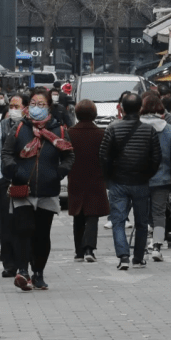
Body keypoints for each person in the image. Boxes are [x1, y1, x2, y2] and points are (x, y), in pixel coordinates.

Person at [1, 87, 75, 291]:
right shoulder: (18, 129)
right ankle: (22, 271)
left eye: (41, 104)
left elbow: (69, 155)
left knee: (42, 234)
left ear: (49, 107)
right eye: (33, 104)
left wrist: (59, 172)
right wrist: (13, 169)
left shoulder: (59, 131)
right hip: (21, 189)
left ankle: (39, 273)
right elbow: (7, 153)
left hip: (47, 189)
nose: (36, 108)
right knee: (23, 230)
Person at [99, 92, 162, 270]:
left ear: (122, 108)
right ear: (140, 109)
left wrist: (109, 177)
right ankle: (139, 257)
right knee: (142, 222)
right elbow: (156, 158)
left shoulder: (112, 128)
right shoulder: (149, 130)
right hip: (141, 182)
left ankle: (123, 256)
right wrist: (147, 174)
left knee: (118, 221)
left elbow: (104, 156)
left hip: (118, 182)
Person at [67, 99, 110, 263]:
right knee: (92, 215)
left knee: (78, 215)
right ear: (94, 114)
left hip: (76, 178)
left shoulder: (69, 133)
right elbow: (106, 157)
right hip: (95, 179)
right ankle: (89, 249)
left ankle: (78, 250)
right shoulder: (101, 133)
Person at [0, 93, 28, 277]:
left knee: (23, 223)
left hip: (26, 181)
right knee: (6, 224)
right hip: (6, 182)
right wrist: (0, 177)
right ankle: (8, 263)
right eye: (11, 106)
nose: (13, 109)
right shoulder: (2, 127)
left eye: (17, 106)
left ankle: (24, 262)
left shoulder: (31, 127)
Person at [140, 92, 171, 262]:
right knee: (159, 213)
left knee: (142, 212)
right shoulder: (169, 129)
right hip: (162, 177)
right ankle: (157, 246)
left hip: (140, 178)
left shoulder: (137, 127)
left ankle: (142, 247)